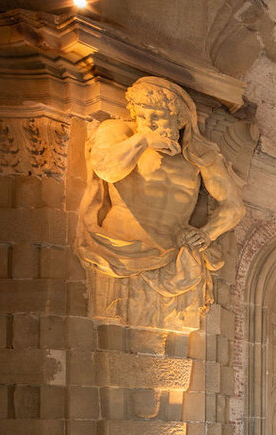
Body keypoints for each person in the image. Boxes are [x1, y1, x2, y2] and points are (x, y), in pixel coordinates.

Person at [78, 77, 243, 330]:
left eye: (158, 117)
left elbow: (233, 206)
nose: (148, 124)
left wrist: (206, 234)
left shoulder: (200, 155)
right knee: (105, 328)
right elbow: (106, 169)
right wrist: (143, 141)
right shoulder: (119, 133)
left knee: (179, 338)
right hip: (121, 249)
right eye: (142, 116)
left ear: (179, 121)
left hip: (175, 256)